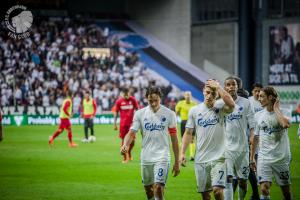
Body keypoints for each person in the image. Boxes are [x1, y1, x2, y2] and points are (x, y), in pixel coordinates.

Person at [121, 86, 180, 200]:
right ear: (146, 99)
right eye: (150, 101)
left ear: (160, 98)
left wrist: (177, 161)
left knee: (158, 187)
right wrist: (126, 144)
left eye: (155, 100)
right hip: (146, 157)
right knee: (149, 191)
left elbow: (174, 138)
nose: (153, 103)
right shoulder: (140, 114)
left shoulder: (169, 114)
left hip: (162, 156)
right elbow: (132, 132)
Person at [180, 79, 235, 200]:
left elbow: (232, 104)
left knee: (217, 191)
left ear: (217, 95)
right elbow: (188, 133)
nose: (209, 96)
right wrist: (182, 153)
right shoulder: (194, 110)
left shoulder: (221, 107)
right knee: (205, 195)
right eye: (207, 92)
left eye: (213, 93)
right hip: (201, 158)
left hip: (219, 158)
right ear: (203, 91)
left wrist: (218, 87)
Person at [250, 86, 292, 200]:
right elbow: (256, 137)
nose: (259, 99)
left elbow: (285, 124)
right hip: (264, 157)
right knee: (264, 188)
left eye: (262, 96)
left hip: (281, 158)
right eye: (258, 96)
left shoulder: (284, 112)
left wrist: (276, 108)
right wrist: (252, 157)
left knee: (286, 193)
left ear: (270, 97)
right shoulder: (258, 115)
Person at [222, 77, 255, 200]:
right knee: (228, 178)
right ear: (225, 87)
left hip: (242, 148)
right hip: (227, 148)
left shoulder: (246, 103)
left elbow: (252, 125)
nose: (231, 87)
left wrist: (252, 138)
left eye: (233, 84)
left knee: (242, 181)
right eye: (228, 85)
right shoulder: (221, 104)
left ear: (237, 87)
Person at [114, 87, 139, 163]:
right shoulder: (119, 101)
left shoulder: (133, 100)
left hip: (132, 124)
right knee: (124, 141)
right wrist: (114, 124)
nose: (126, 96)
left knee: (133, 142)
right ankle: (125, 158)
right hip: (123, 125)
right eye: (125, 95)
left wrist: (139, 121)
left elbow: (137, 110)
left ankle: (129, 152)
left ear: (129, 93)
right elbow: (116, 113)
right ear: (122, 94)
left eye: (127, 94)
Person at [175, 91, 197, 161]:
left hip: (192, 123)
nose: (188, 96)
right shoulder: (180, 103)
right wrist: (174, 121)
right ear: (184, 96)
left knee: (192, 139)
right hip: (183, 122)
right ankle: (181, 154)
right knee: (183, 139)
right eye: (186, 95)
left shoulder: (194, 104)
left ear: (191, 96)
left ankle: (192, 156)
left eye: (189, 95)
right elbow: (176, 113)